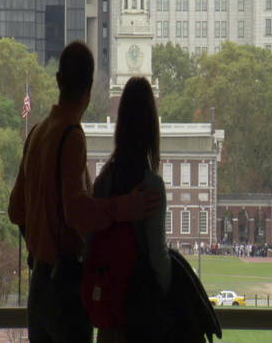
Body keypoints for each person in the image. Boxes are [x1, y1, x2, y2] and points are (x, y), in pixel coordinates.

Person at [8, 42, 160, 343]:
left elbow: (15, 210)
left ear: (58, 80)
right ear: (89, 87)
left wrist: (40, 243)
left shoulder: (37, 132)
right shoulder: (71, 135)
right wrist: (121, 207)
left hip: (38, 284)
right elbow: (76, 211)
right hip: (64, 286)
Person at [90, 77, 171, 343]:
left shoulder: (104, 180)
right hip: (140, 317)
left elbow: (90, 244)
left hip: (110, 313)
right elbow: (158, 259)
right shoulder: (151, 186)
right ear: (151, 128)